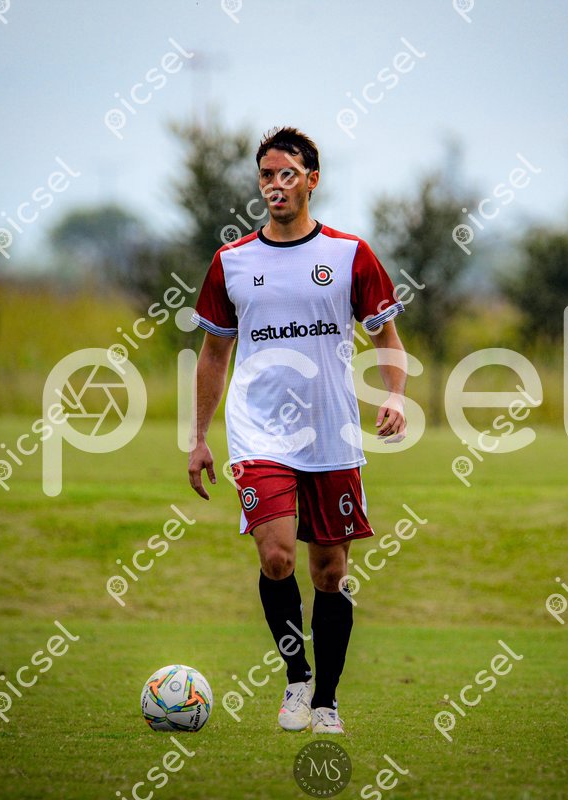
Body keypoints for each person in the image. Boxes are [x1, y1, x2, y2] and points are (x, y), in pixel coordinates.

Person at [188, 126, 408, 734]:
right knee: (278, 555)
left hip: (331, 434)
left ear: (312, 179)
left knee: (329, 573)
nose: (275, 185)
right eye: (266, 175)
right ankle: (296, 678)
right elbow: (213, 355)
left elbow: (386, 335)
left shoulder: (349, 255)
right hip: (259, 432)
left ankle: (327, 702)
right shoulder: (232, 262)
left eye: (287, 174)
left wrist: (395, 394)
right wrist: (199, 437)